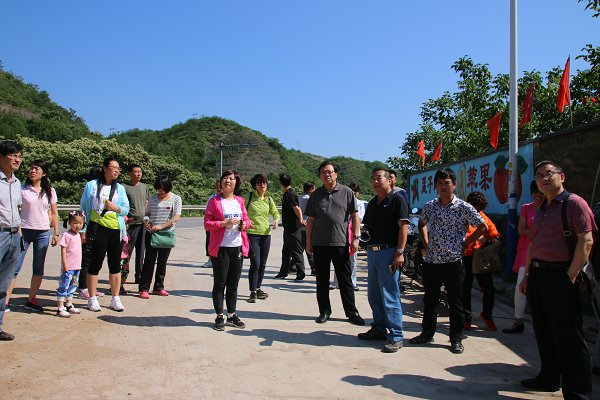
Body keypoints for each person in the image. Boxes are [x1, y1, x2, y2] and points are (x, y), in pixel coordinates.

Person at [519, 160, 595, 398]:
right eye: (539, 175)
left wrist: (570, 275)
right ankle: (549, 377)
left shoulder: (573, 203)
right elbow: (533, 244)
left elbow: (586, 241)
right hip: (538, 275)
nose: (543, 178)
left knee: (569, 337)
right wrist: (527, 275)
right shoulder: (541, 208)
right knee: (544, 331)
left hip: (561, 275)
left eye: (548, 173)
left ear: (561, 177)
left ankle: (578, 392)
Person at [409, 168, 486, 354]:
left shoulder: (463, 207)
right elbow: (422, 223)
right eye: (440, 183)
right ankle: (427, 333)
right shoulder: (430, 206)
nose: (443, 187)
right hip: (432, 261)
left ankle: (456, 339)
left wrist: (465, 243)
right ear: (436, 186)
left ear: (454, 185)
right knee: (430, 300)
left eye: (447, 183)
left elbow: (482, 227)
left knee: (455, 303)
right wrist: (426, 242)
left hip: (453, 261)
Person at [305, 161, 364, 325]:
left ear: (336, 174)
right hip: (320, 244)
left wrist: (355, 238)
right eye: (323, 172)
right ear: (320, 176)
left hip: (341, 243)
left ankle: (352, 313)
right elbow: (310, 221)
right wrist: (308, 241)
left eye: (329, 171)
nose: (327, 174)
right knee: (322, 281)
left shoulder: (346, 192)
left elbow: (355, 216)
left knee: (345, 281)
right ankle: (324, 311)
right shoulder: (315, 195)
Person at [358, 169, 409, 353]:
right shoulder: (373, 202)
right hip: (372, 252)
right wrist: (362, 237)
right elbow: (367, 226)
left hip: (388, 252)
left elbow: (403, 227)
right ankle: (379, 328)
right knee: (374, 294)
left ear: (390, 180)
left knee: (389, 294)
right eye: (372, 178)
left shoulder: (397, 200)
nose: (375, 181)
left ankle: (396, 336)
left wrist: (400, 252)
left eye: (379, 178)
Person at [6, 159, 59, 313]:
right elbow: (14, 209)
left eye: (36, 169)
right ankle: (5, 300)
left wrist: (56, 233)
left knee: (38, 268)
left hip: (43, 232)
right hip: (24, 231)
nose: (33, 171)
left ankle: (31, 299)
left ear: (44, 173)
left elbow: (54, 212)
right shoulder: (22, 188)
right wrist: (18, 228)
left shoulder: (50, 191)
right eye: (31, 168)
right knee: (14, 267)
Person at [80, 157, 130, 312]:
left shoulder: (120, 188)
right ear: (105, 168)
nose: (116, 171)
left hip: (115, 229)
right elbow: (84, 208)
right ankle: (92, 298)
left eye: (118, 168)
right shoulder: (92, 185)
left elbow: (126, 209)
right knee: (95, 264)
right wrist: (83, 230)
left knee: (115, 265)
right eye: (113, 167)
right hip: (97, 228)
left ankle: (115, 298)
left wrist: (115, 208)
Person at [204, 170, 252, 331]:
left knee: (233, 284)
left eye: (231, 179)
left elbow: (247, 220)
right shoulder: (214, 201)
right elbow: (207, 224)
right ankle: (219, 316)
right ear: (221, 182)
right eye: (225, 178)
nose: (228, 181)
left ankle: (231, 315)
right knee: (220, 283)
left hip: (237, 247)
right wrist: (224, 223)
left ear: (236, 183)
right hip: (220, 248)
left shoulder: (240, 201)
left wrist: (244, 224)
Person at [503, 181, 545, 334]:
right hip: (525, 252)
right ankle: (518, 321)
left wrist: (535, 232)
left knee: (542, 290)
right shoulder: (527, 208)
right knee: (520, 288)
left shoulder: (551, 208)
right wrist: (540, 233)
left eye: (540, 192)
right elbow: (521, 229)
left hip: (544, 253)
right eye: (535, 192)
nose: (537, 195)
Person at [462, 191, 501, 331]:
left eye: (479, 209)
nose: (477, 211)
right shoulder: (461, 215)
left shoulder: (482, 216)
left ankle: (487, 315)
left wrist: (495, 238)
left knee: (489, 288)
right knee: (465, 288)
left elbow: (491, 228)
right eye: (475, 208)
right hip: (465, 256)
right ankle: (466, 318)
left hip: (479, 257)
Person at [139, 175, 182, 298]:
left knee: (162, 262)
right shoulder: (153, 198)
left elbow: (176, 216)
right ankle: (144, 288)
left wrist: (162, 226)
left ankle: (158, 287)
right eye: (158, 189)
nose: (161, 191)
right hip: (152, 234)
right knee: (149, 261)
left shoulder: (176, 198)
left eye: (163, 189)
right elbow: (146, 214)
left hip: (166, 234)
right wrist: (147, 222)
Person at [0, 140, 23, 341]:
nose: (17, 159)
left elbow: (17, 209)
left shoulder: (17, 183)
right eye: (13, 155)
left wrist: (19, 233)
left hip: (14, 234)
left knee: (3, 283)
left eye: (19, 156)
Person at [245, 174, 279, 303]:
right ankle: (252, 291)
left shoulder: (269, 199)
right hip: (252, 234)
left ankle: (258, 288)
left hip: (266, 235)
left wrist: (276, 220)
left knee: (263, 264)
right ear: (255, 185)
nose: (262, 185)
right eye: (259, 183)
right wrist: (246, 220)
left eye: (264, 182)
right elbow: (241, 211)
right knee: (255, 263)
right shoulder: (248, 197)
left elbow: (275, 212)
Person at [332, 182, 364, 290]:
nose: (353, 193)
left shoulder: (359, 203)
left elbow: (360, 218)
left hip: (353, 233)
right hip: (341, 233)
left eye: (355, 191)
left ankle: (352, 282)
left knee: (352, 260)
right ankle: (336, 282)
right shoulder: (342, 201)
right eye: (351, 191)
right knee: (338, 258)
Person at [274, 174, 305, 280]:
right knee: (286, 251)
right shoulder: (289, 193)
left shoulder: (289, 194)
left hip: (293, 228)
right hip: (288, 228)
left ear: (280, 183)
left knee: (296, 250)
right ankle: (283, 272)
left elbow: (296, 208)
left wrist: (300, 220)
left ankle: (300, 273)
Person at [123, 164, 150, 284]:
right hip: (130, 225)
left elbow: (146, 202)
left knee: (141, 252)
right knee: (126, 252)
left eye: (140, 171)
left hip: (143, 224)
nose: (138, 174)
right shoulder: (124, 187)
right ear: (129, 173)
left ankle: (139, 276)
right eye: (136, 171)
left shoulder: (144, 187)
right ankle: (122, 277)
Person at [56, 211, 85, 318]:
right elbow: (63, 250)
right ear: (69, 223)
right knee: (64, 285)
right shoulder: (66, 235)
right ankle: (60, 307)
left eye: (80, 223)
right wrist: (65, 263)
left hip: (77, 267)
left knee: (73, 285)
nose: (78, 226)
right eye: (75, 223)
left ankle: (68, 304)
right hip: (68, 267)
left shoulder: (78, 235)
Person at [299, 181, 316, 275]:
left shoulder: (300, 197)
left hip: (301, 225)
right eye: (314, 189)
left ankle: (292, 266)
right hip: (307, 224)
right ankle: (314, 268)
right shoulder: (308, 199)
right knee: (309, 248)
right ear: (310, 189)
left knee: (301, 247)